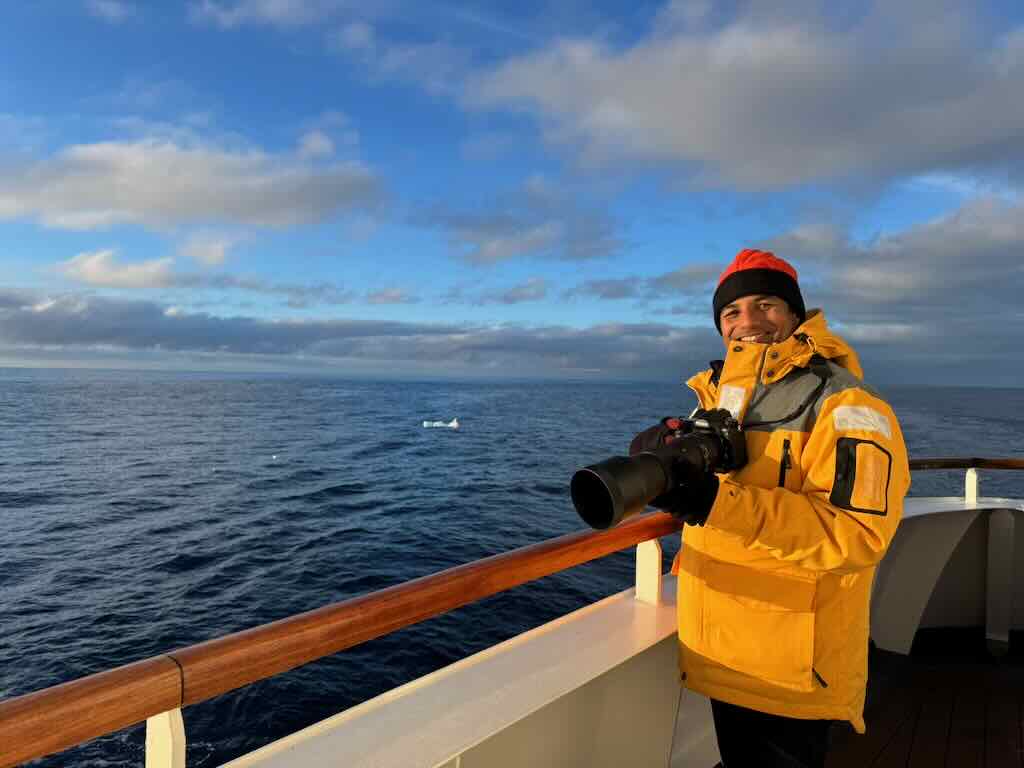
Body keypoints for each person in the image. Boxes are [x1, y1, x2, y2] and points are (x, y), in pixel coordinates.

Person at [630, 248, 910, 768]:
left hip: (794, 667)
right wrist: (661, 457)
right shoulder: (716, 401)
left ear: (796, 315)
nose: (748, 322)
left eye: (766, 305)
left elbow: (856, 535)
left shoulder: (849, 406)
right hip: (720, 650)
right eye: (732, 312)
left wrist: (714, 500)